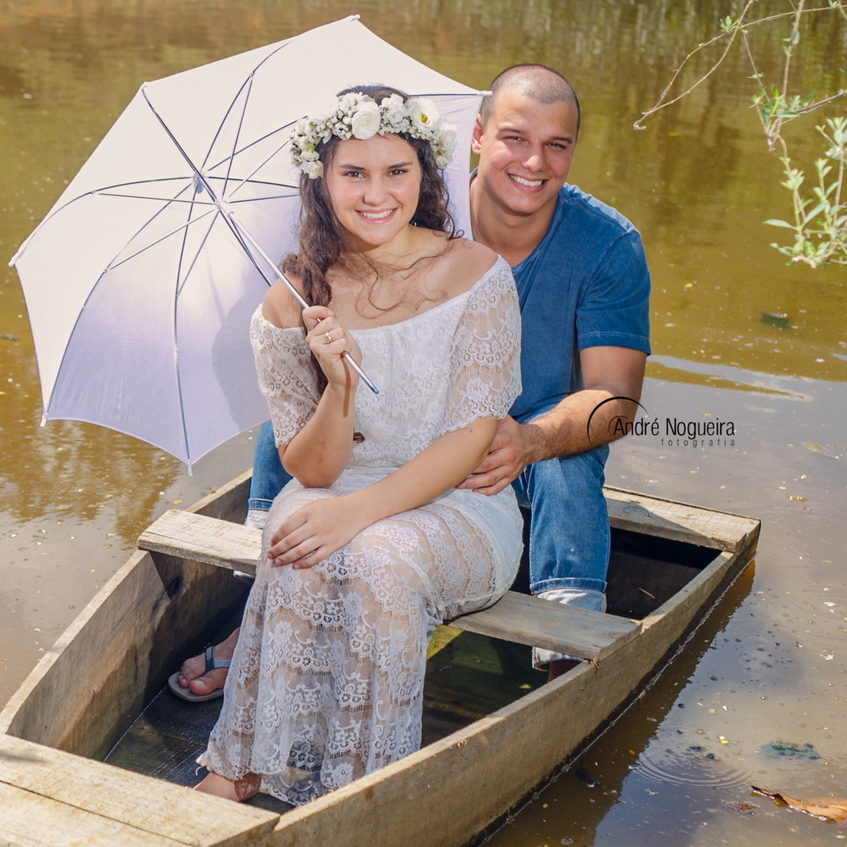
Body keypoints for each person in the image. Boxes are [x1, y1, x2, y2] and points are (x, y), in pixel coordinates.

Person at [173, 65, 650, 700]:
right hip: (413, 423)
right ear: (478, 137)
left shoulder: (607, 243)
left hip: (524, 430)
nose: (534, 161)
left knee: (570, 465)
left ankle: (567, 656)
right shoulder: (399, 202)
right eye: (514, 138)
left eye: (556, 145)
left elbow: (615, 401)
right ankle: (256, 606)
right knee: (295, 413)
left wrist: (530, 440)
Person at [193, 85, 524, 803]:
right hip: (339, 484)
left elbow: (473, 436)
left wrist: (358, 512)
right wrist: (338, 386)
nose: (377, 194)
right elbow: (312, 468)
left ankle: (361, 789)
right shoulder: (291, 300)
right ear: (321, 181)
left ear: (425, 175)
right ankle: (246, 763)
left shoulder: (477, 275)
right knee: (293, 527)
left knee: (379, 553)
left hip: (460, 501)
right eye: (354, 174)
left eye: (396, 171)